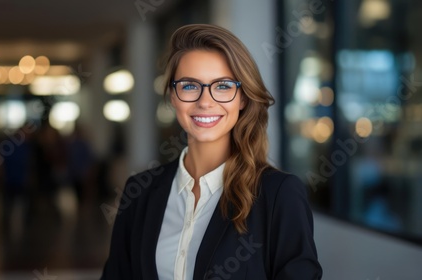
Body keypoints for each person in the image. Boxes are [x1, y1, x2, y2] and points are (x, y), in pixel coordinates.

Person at [101, 24, 322, 279]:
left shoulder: (279, 195)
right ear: (173, 96)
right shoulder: (139, 191)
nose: (205, 102)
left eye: (223, 86)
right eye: (190, 86)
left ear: (243, 98)